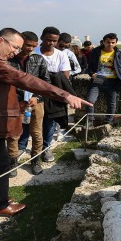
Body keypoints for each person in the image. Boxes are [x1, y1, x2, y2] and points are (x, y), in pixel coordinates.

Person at [0, 28, 90, 218]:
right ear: (0, 41)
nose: (16, 52)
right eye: (15, 47)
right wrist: (64, 94)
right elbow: (22, 78)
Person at [6, 31, 50, 175]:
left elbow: (45, 82)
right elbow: (6, 82)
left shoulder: (39, 59)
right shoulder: (9, 60)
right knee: (13, 133)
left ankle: (35, 160)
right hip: (15, 102)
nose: (30, 48)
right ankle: (12, 161)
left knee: (37, 132)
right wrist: (18, 99)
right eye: (28, 45)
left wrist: (37, 97)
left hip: (36, 102)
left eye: (33, 46)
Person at [33, 26, 72, 161]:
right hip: (35, 92)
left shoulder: (61, 55)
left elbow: (65, 76)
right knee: (32, 122)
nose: (51, 43)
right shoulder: (34, 53)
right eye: (48, 40)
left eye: (54, 41)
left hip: (53, 94)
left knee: (49, 122)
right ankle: (30, 149)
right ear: (42, 37)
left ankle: (46, 148)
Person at [86, 33, 121, 125]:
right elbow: (90, 67)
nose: (110, 44)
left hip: (113, 81)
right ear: (103, 42)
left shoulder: (120, 54)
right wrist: (92, 74)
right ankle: (90, 122)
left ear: (116, 43)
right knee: (90, 101)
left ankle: (108, 122)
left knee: (112, 103)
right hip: (99, 79)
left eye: (113, 42)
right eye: (108, 42)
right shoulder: (95, 52)